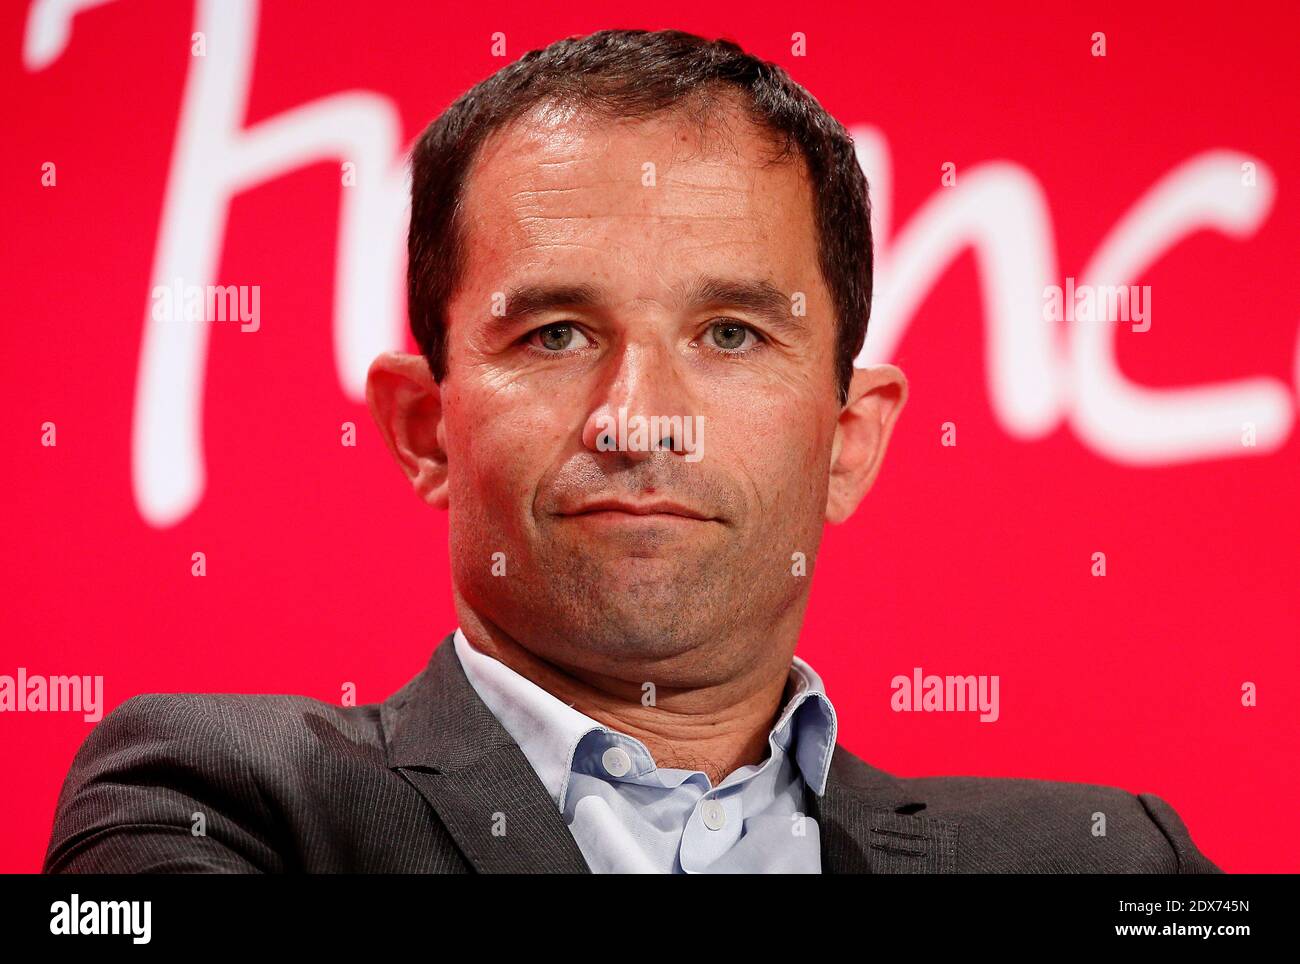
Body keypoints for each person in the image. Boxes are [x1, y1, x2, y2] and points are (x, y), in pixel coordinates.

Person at [43, 28, 1219, 874]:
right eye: (554, 333)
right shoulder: (213, 796)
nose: (641, 416)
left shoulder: (1108, 855)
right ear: (423, 426)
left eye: (729, 333)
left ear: (848, 440)